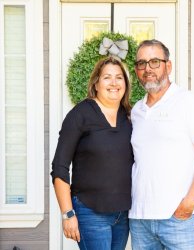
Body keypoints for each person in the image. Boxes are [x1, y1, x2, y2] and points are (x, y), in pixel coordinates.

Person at [129, 39, 194, 250]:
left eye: (154, 62)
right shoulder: (137, 111)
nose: (147, 69)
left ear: (168, 66)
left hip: (177, 218)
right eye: (142, 63)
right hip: (140, 219)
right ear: (136, 70)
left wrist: (189, 203)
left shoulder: (188, 102)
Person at [51, 56, 134, 250]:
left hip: (123, 215)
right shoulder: (80, 114)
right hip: (90, 212)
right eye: (107, 77)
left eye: (119, 77)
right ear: (96, 83)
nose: (114, 83)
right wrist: (67, 213)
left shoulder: (130, 116)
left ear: (125, 83)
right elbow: (60, 168)